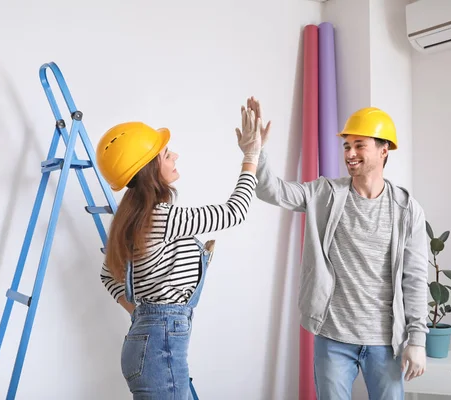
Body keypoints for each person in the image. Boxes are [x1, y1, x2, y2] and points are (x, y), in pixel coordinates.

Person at [245, 98, 429, 400]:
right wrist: (257, 152)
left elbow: (415, 278)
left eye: (359, 145)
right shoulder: (325, 193)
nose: (350, 153)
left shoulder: (407, 209)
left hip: (386, 342)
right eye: (346, 146)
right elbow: (272, 191)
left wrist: (418, 340)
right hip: (333, 338)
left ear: (384, 150)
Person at [95, 107, 262, 399]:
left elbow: (107, 274)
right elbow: (234, 212)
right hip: (160, 343)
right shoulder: (162, 217)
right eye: (166, 154)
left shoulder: (130, 218)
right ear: (148, 168)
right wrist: (251, 157)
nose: (175, 157)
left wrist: (143, 313)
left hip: (147, 340)